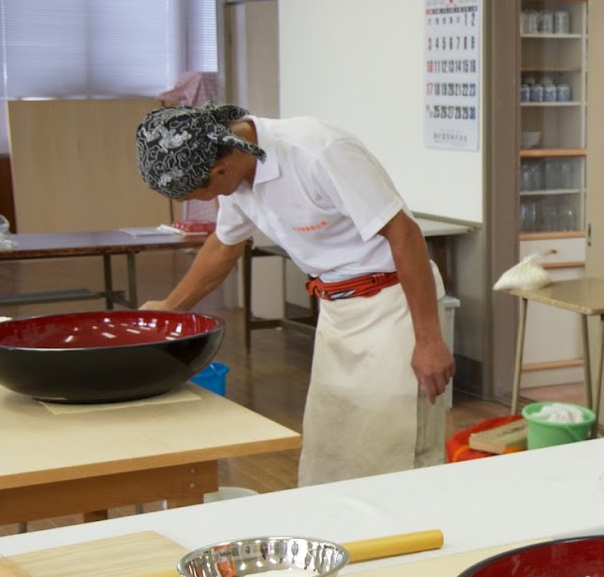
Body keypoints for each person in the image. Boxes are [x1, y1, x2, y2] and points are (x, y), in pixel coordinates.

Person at [135, 103, 455, 486]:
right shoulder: (233, 170)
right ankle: (345, 539)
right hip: (338, 312)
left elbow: (404, 235)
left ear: (221, 169)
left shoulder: (318, 150)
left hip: (394, 307)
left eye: (202, 191)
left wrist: (429, 339)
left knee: (396, 448)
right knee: (331, 449)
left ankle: (409, 536)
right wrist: (170, 309)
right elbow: (224, 246)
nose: (208, 198)